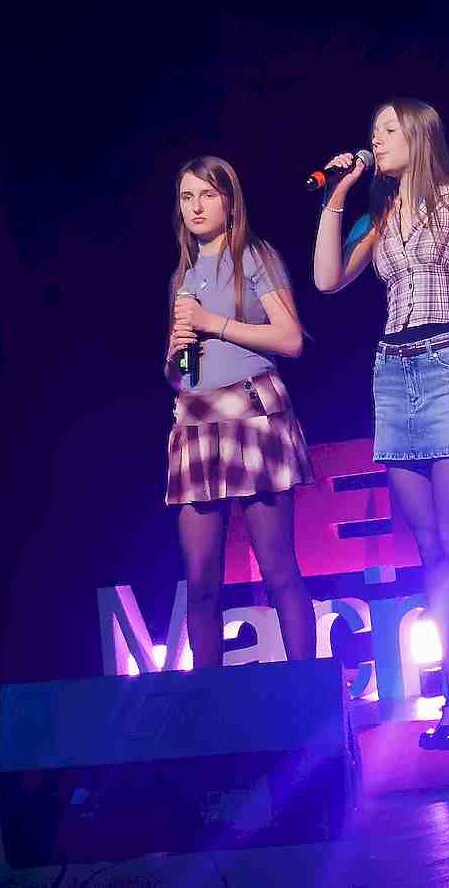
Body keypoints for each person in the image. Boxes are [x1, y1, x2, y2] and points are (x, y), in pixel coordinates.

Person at [313, 99, 449, 749]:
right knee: (428, 547)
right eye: (372, 130)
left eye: (388, 129)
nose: (375, 139)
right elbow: (326, 280)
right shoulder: (379, 215)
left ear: (419, 135)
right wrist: (338, 195)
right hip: (393, 372)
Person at [165, 155, 315, 668]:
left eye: (207, 195)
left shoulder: (253, 254)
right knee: (200, 581)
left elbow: (291, 339)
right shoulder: (183, 275)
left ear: (230, 202)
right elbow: (183, 370)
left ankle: (305, 693)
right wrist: (176, 358)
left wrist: (213, 323)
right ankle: (208, 704)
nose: (196, 207)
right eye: (187, 197)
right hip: (197, 423)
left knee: (278, 570)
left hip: (252, 415)